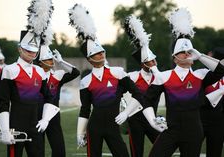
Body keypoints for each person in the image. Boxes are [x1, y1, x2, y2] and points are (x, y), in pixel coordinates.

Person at [142, 8, 224, 157]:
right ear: (174, 57)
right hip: (171, 130)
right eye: (182, 52)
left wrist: (200, 56)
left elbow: (221, 70)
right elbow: (146, 100)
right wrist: (152, 121)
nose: (187, 54)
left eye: (189, 52)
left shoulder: (200, 75)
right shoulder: (163, 77)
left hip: (194, 132)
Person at [69, 4, 145, 157]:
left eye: (102, 51)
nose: (101, 54)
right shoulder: (86, 81)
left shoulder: (117, 73)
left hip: (113, 126)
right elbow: (85, 109)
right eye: (96, 53)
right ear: (89, 59)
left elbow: (138, 94)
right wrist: (79, 133)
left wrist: (127, 113)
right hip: (94, 128)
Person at [0, 1, 59, 157]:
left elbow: (49, 97)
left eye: (34, 50)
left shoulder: (40, 71)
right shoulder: (9, 70)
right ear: (19, 48)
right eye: (27, 49)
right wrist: (4, 130)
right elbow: (3, 102)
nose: (31, 53)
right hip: (14, 128)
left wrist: (45, 120)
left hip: (36, 126)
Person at [123, 15, 161, 157]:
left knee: (162, 148)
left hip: (153, 120)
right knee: (136, 153)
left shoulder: (160, 76)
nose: (154, 63)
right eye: (150, 61)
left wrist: (156, 71)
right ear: (142, 63)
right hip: (135, 121)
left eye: (154, 60)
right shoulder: (132, 76)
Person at [38, 42, 80, 157]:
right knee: (37, 151)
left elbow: (76, 73)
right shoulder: (34, 76)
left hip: (53, 115)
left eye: (51, 58)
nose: (51, 61)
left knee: (59, 150)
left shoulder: (58, 75)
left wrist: (61, 61)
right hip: (36, 116)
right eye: (48, 59)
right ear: (40, 63)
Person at [200, 47, 224, 157]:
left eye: (209, 55)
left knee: (215, 151)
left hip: (219, 121)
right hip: (200, 118)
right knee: (190, 148)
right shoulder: (202, 73)